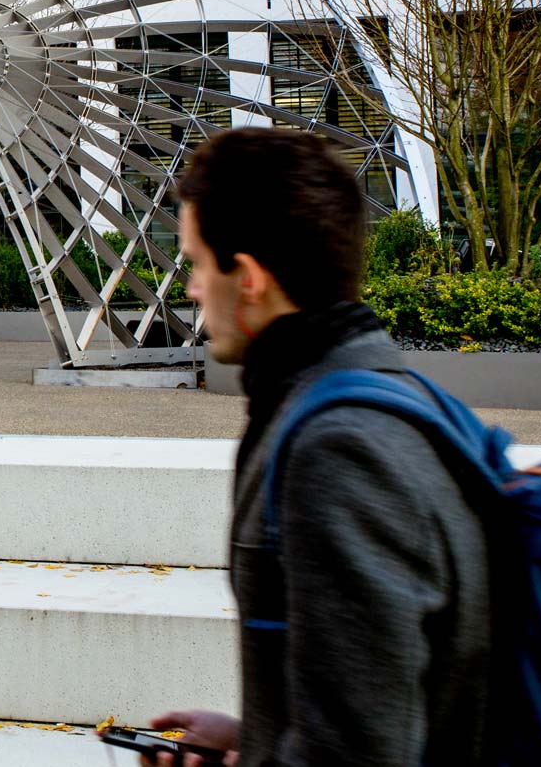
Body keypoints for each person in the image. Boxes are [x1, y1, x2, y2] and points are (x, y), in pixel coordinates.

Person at [148, 128, 492, 767]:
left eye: (196, 263)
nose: (191, 288)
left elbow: (358, 752)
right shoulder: (389, 394)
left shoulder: (338, 450)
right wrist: (256, 739)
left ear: (249, 279)